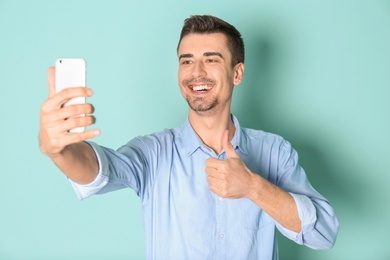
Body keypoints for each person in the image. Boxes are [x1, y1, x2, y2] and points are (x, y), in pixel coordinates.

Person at [39, 15, 339, 259]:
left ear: (237, 73)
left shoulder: (274, 151)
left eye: (211, 60)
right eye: (186, 60)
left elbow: (323, 233)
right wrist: (59, 151)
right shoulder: (154, 152)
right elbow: (99, 172)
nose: (196, 72)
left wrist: (252, 187)